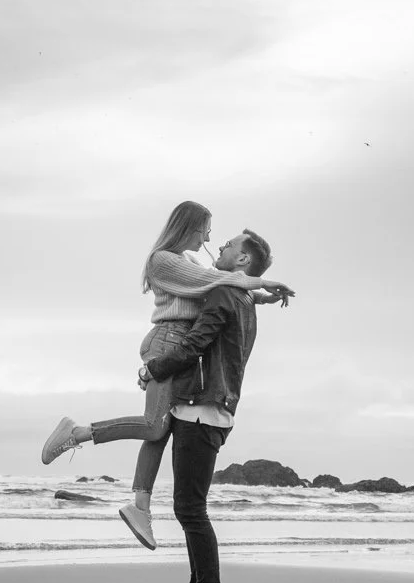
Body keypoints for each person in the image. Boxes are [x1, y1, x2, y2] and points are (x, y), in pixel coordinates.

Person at [41, 202, 292, 551]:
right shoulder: (163, 260)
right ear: (189, 227)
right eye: (206, 229)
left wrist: (259, 296)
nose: (210, 238)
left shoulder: (189, 261)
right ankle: (78, 433)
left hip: (178, 346)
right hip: (168, 341)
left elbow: (219, 284)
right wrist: (261, 282)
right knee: (155, 426)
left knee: (161, 429)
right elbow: (213, 280)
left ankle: (140, 506)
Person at [137, 228, 271, 583]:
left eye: (230, 244)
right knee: (189, 508)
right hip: (213, 408)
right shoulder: (244, 297)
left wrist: (153, 367)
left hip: (203, 410)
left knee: (191, 510)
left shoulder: (224, 294)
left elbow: (195, 343)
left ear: (243, 260)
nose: (223, 246)